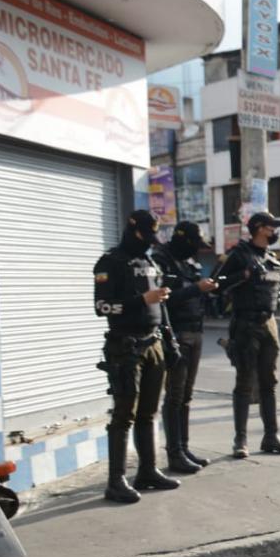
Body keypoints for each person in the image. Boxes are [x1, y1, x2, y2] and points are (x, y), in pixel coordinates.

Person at [93, 210, 181, 503]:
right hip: (125, 347)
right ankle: (116, 481)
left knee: (148, 412)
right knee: (124, 414)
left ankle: (148, 471)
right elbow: (102, 307)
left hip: (153, 343)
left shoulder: (150, 262)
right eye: (147, 236)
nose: (150, 243)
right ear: (135, 232)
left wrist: (170, 341)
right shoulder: (111, 262)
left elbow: (161, 307)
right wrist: (141, 300)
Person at [214, 212, 280, 459]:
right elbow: (218, 284)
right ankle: (241, 440)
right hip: (245, 324)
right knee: (245, 383)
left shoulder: (270, 257)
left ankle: (271, 435)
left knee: (269, 383)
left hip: (268, 324)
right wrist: (242, 276)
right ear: (259, 228)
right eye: (272, 227)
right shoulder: (239, 255)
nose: (275, 232)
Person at [152, 221, 217, 474]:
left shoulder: (189, 263)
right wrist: (195, 289)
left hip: (195, 330)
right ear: (185, 241)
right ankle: (174, 453)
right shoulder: (161, 260)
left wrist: (207, 290)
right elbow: (165, 300)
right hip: (175, 333)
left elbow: (191, 293)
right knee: (175, 395)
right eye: (194, 245)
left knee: (187, 396)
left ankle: (184, 447)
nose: (196, 252)